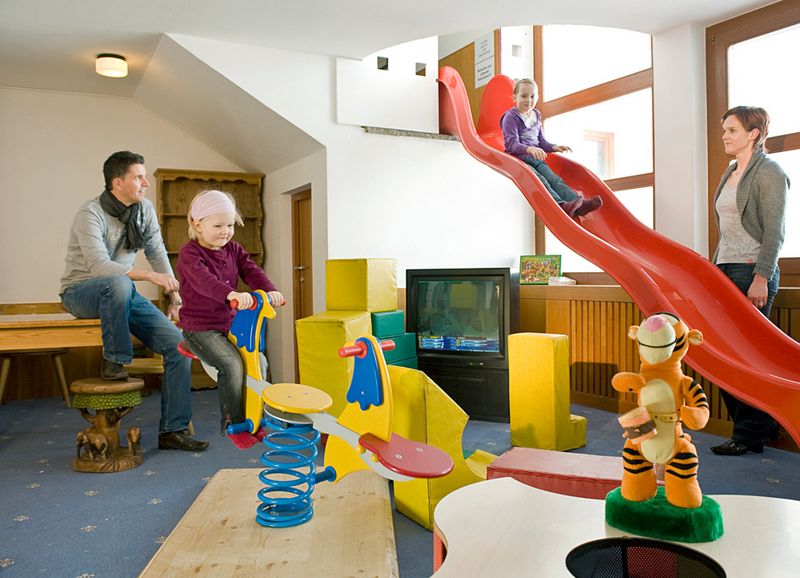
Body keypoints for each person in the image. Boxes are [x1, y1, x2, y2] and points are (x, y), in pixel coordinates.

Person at [60, 151, 208, 452]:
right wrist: (151, 277)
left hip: (122, 292)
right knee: (119, 281)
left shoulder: (144, 209)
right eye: (139, 177)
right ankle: (115, 361)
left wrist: (175, 297)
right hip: (81, 292)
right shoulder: (90, 214)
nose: (145, 183)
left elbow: (157, 252)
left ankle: (173, 430)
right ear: (118, 183)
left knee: (179, 347)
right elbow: (100, 267)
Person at [710, 106, 789, 456]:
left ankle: (747, 435)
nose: (725, 136)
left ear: (753, 133)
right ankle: (763, 424)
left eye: (732, 130)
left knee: (743, 357)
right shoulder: (730, 173)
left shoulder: (770, 172)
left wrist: (761, 277)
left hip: (752, 270)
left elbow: (775, 232)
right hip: (724, 269)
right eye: (724, 129)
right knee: (720, 354)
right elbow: (727, 231)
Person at [176, 190, 286, 434]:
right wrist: (231, 295)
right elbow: (204, 281)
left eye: (229, 225)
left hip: (230, 324)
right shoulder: (190, 254)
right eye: (218, 226)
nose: (225, 231)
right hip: (201, 328)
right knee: (232, 365)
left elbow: (252, 271)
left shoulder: (234, 249)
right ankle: (233, 423)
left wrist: (270, 290)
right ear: (197, 224)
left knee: (259, 361)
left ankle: (256, 415)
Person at [500, 78, 602, 218]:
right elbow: (512, 144)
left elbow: (541, 141)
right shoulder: (510, 117)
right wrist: (530, 149)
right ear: (514, 97)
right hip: (517, 160)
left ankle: (578, 204)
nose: (528, 100)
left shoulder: (536, 115)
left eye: (532, 96)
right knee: (540, 179)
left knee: (554, 179)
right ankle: (561, 204)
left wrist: (555, 147)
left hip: (535, 158)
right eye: (523, 96)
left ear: (537, 97)